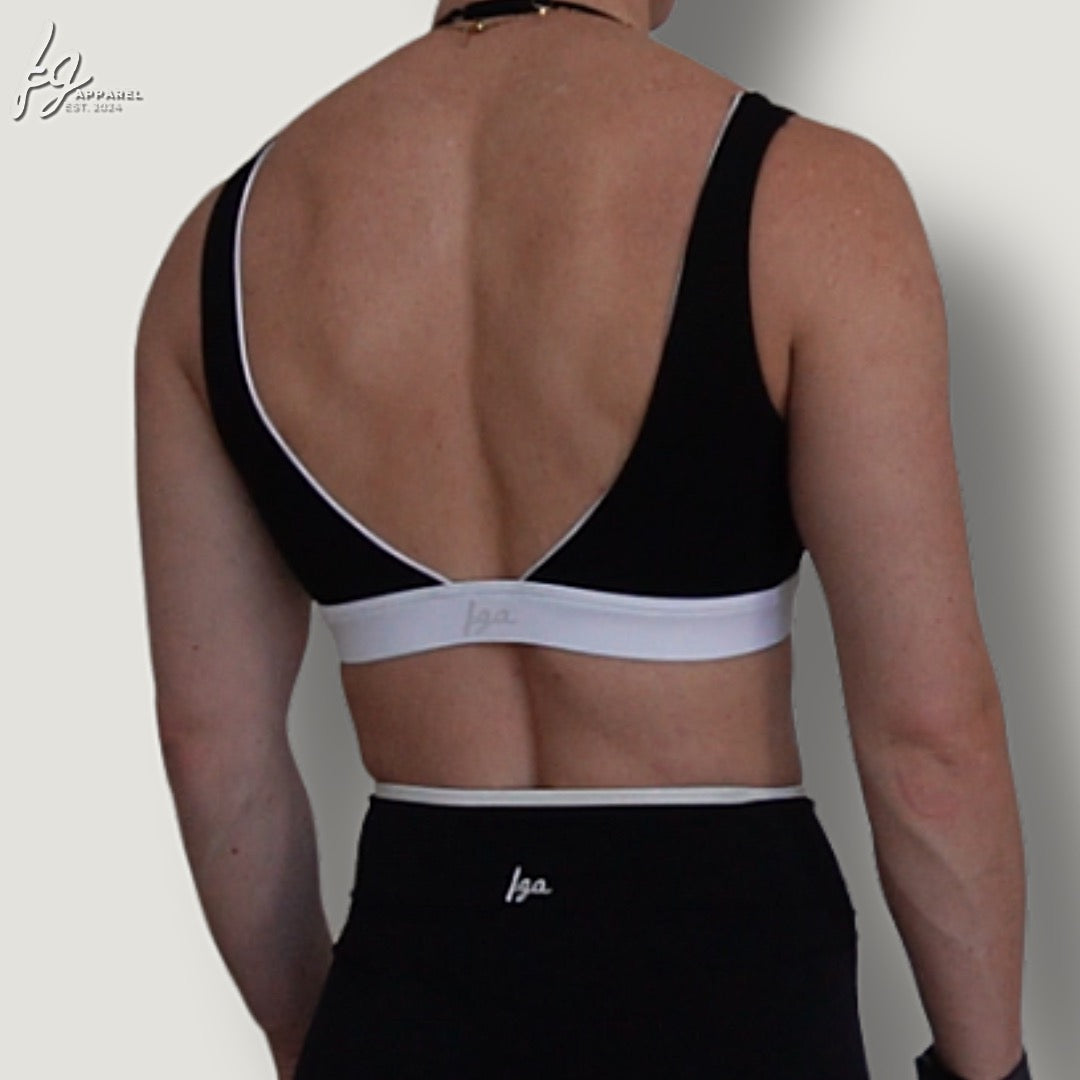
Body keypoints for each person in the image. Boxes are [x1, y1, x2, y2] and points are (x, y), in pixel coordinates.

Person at [134, 1, 1031, 1077]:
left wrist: (316, 1044)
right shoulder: (813, 200)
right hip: (732, 1003)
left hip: (403, 1004)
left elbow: (212, 749)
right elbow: (931, 743)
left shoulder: (219, 250)